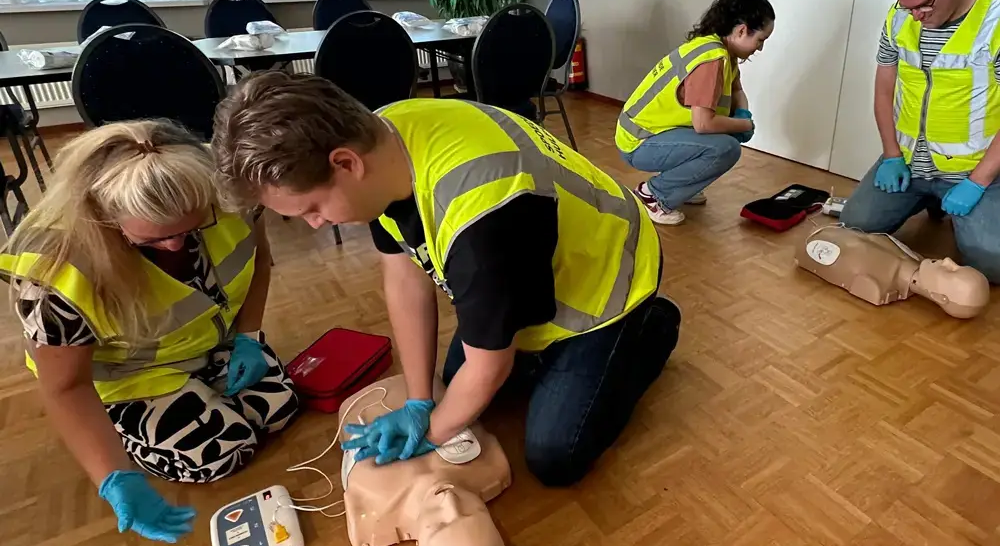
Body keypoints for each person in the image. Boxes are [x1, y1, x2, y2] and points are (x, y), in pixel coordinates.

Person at [212, 72, 680, 488]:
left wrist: (433, 434)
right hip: (535, 266)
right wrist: (419, 400)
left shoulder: (485, 216)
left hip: (609, 287)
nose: (316, 225)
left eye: (311, 210)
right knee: (456, 387)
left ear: (345, 163)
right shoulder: (381, 139)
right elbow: (402, 276)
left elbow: (489, 368)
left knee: (554, 456)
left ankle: (652, 325)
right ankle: (538, 352)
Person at [0, 121, 298, 543]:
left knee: (279, 408)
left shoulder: (231, 196)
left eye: (190, 230)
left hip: (210, 340)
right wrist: (113, 476)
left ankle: (200, 388)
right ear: (104, 217)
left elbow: (258, 261)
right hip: (129, 374)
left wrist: (248, 334)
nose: (177, 246)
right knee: (221, 453)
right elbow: (66, 386)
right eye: (154, 238)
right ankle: (121, 423)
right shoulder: (58, 271)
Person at [840, 0, 1000, 283]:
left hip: (973, 170)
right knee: (855, 225)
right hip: (910, 164)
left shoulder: (995, 23)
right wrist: (890, 154)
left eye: (924, 6)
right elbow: (884, 89)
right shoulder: (900, 17)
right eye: (907, 6)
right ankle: (930, 200)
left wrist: (977, 181)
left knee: (993, 264)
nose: (915, 17)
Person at [616, 0, 775, 224]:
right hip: (638, 142)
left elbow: (737, 89)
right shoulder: (712, 60)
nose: (760, 48)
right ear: (742, 31)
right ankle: (652, 195)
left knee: (724, 138)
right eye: (761, 40)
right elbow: (703, 124)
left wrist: (742, 112)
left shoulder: (722, 50)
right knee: (726, 148)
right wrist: (743, 125)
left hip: (652, 134)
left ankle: (680, 186)